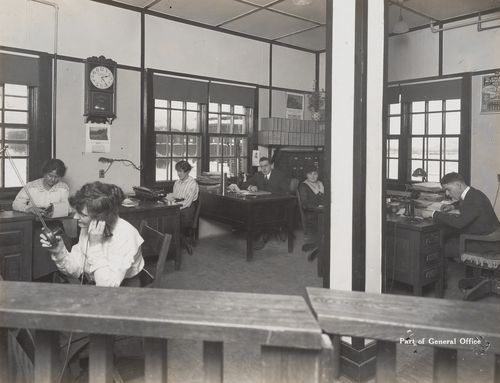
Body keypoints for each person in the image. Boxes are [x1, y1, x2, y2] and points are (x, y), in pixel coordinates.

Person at [40, 182, 147, 287]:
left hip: (124, 289)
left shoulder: (125, 235)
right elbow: (75, 270)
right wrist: (59, 251)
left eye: (82, 215)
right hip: (94, 283)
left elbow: (107, 286)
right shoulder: (89, 226)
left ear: (101, 218)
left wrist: (95, 245)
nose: (75, 217)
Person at [422, 172, 500, 259]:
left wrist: (432, 214)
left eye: (448, 189)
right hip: (489, 237)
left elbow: (459, 223)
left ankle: (437, 271)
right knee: (449, 237)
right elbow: (466, 203)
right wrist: (452, 206)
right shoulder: (473, 193)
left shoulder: (473, 198)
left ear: (458, 185)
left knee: (442, 246)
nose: (447, 193)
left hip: (486, 243)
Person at [165, 160, 199, 254]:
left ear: (187, 171)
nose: (178, 173)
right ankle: (170, 244)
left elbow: (187, 202)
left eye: (181, 171)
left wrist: (175, 208)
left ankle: (177, 243)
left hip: (187, 209)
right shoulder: (177, 183)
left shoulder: (192, 184)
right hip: (178, 206)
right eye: (177, 171)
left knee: (174, 220)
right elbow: (175, 196)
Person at [298, 165, 324, 252]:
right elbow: (305, 204)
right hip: (311, 213)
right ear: (306, 175)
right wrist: (318, 207)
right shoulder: (304, 186)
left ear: (318, 174)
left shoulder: (321, 184)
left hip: (323, 210)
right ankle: (320, 243)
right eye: (310, 174)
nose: (313, 176)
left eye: (315, 174)